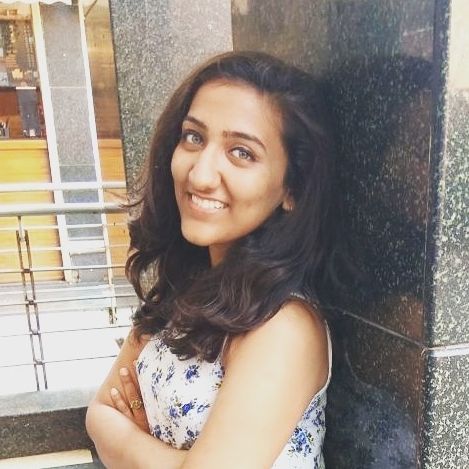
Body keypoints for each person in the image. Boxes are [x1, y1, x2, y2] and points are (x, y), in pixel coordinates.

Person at [86, 51, 339, 468]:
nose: (200, 175)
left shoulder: (283, 326)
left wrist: (132, 437)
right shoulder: (183, 289)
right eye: (194, 137)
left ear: (291, 188)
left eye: (242, 153)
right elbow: (98, 415)